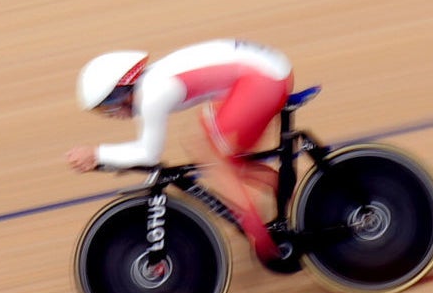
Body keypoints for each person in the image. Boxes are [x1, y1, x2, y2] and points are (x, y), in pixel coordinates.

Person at [68, 41, 293, 261]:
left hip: (263, 79)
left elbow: (149, 153)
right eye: (103, 111)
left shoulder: (153, 93)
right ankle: (280, 186)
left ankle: (259, 234)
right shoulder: (152, 81)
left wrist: (96, 153)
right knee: (212, 149)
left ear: (123, 88)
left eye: (109, 105)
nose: (112, 114)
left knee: (207, 151)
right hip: (264, 74)